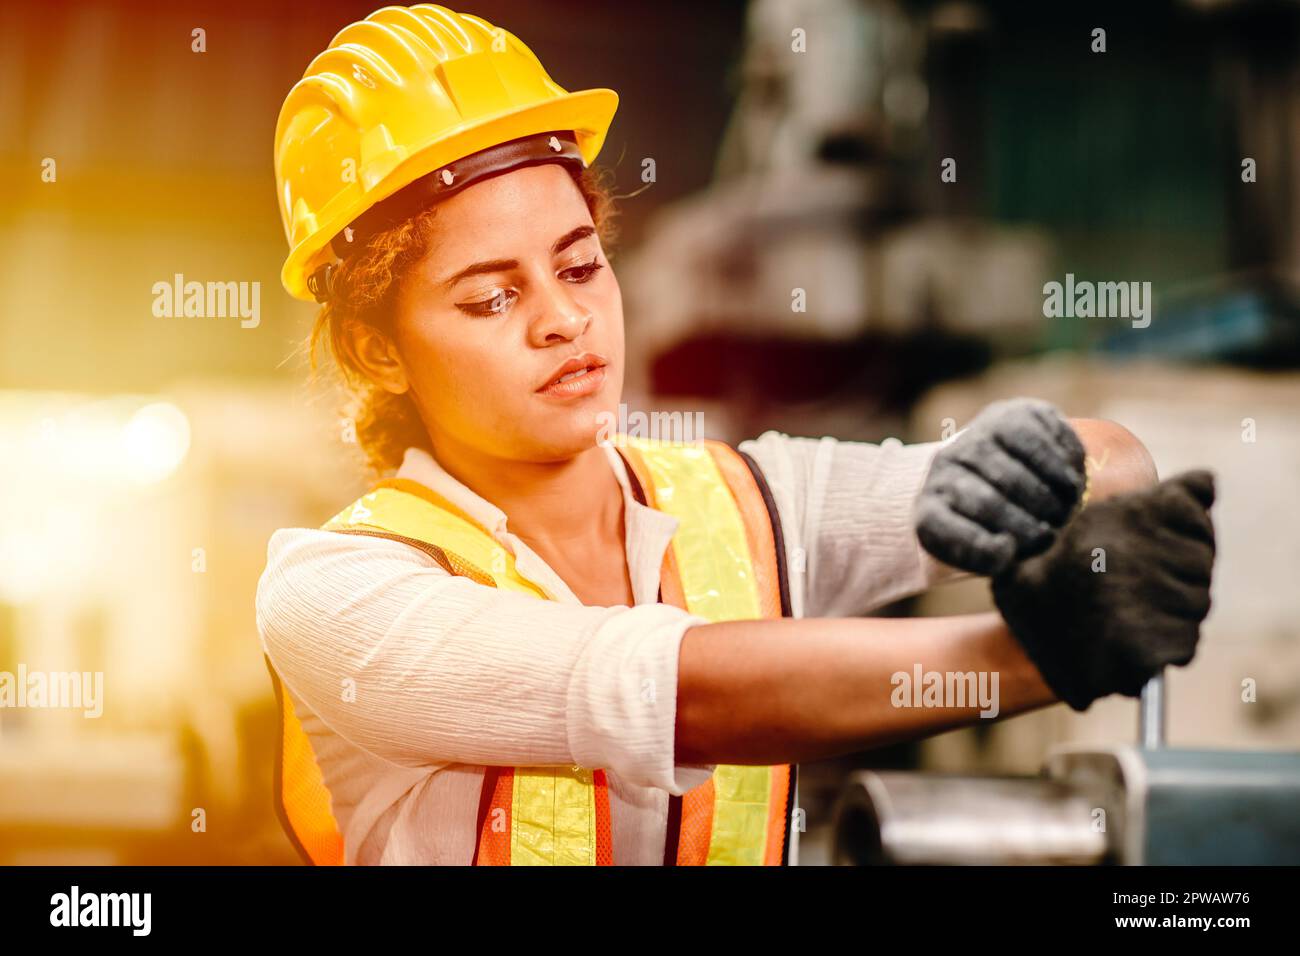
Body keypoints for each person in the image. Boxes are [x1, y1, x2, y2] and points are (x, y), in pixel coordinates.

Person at [257, 3, 1216, 866]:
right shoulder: (338, 592)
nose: (563, 320)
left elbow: (1116, 461)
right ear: (375, 351)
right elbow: (665, 692)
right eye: (492, 296)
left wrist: (1030, 464)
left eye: (581, 267)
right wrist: (1027, 655)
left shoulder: (748, 501)